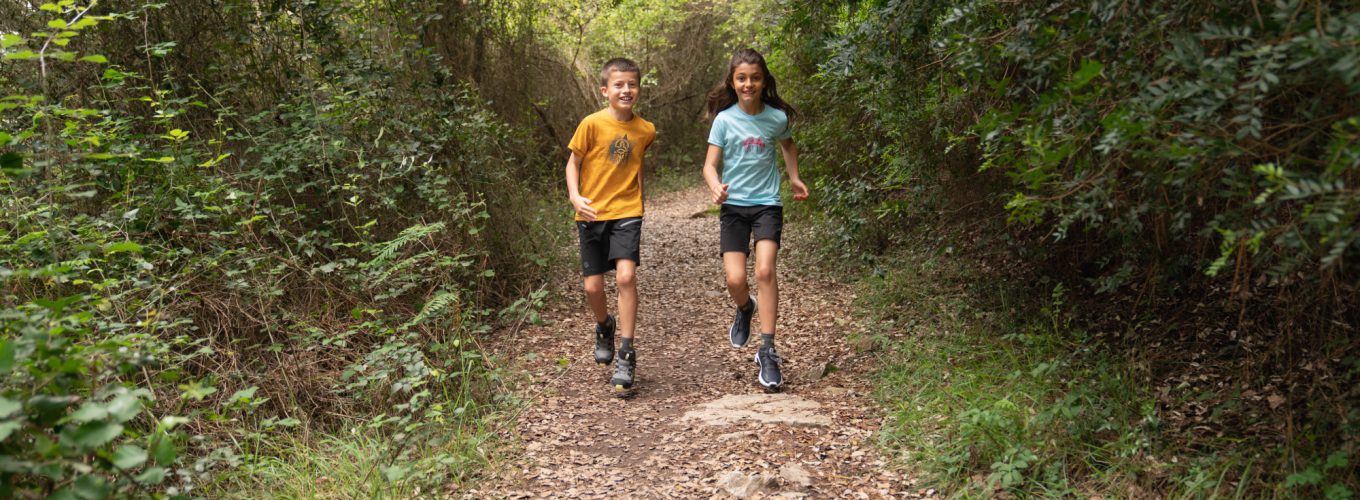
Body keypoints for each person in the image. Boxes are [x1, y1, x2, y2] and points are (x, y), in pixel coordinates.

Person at [702, 48, 808, 390]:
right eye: (742, 78)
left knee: (764, 270)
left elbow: (788, 146)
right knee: (735, 281)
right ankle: (745, 308)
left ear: (764, 81)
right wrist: (716, 187)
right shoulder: (724, 120)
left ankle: (767, 348)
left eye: (755, 78)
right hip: (733, 208)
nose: (749, 84)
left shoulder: (776, 118)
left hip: (766, 205)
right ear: (732, 83)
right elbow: (708, 166)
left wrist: (793, 177)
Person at [565, 57, 656, 393]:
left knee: (626, 276)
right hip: (591, 213)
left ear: (639, 89)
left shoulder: (646, 130)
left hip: (627, 211)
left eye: (632, 84)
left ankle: (627, 352)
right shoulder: (591, 124)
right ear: (605, 90)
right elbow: (572, 164)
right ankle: (604, 326)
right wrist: (575, 197)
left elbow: (636, 166)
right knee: (592, 287)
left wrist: (641, 202)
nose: (626, 90)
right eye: (619, 85)